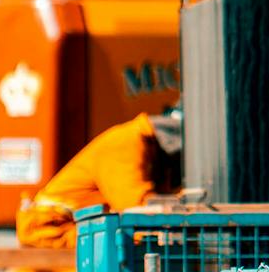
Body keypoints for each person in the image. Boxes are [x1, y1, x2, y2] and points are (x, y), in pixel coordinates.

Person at [13, 107, 181, 250]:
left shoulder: (144, 146)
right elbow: (137, 211)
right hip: (53, 233)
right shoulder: (124, 144)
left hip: (75, 231)